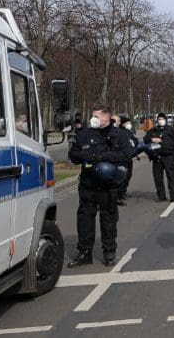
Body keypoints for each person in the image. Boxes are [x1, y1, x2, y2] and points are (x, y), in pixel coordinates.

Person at [67, 107, 134, 267]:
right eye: (92, 115)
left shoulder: (119, 135)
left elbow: (127, 154)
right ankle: (84, 252)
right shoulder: (84, 134)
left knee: (108, 219)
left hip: (108, 185)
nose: (92, 118)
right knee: (84, 219)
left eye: (96, 116)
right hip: (88, 184)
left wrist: (102, 157)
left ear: (105, 118)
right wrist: (84, 156)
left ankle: (109, 252)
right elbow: (73, 155)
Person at [144, 113, 174, 204]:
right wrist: (152, 139)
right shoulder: (153, 130)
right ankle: (161, 196)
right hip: (157, 157)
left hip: (169, 157)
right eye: (159, 119)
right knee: (158, 178)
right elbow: (145, 139)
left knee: (171, 177)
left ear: (165, 120)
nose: (160, 121)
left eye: (162, 119)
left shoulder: (171, 130)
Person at [112, 115, 137, 206]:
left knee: (126, 176)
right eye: (127, 123)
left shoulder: (126, 132)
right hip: (117, 158)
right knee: (119, 178)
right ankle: (117, 196)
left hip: (126, 157)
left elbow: (134, 142)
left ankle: (121, 193)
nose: (128, 124)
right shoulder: (116, 132)